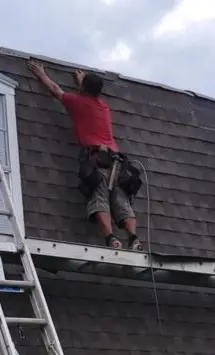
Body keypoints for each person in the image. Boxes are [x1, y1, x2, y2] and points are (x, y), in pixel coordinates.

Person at [27, 59, 142, 251]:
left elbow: (56, 90)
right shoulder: (104, 106)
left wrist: (41, 74)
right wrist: (82, 82)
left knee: (100, 197)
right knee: (121, 200)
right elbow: (88, 96)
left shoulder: (76, 102)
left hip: (98, 159)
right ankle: (134, 238)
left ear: (84, 89)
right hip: (117, 161)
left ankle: (112, 238)